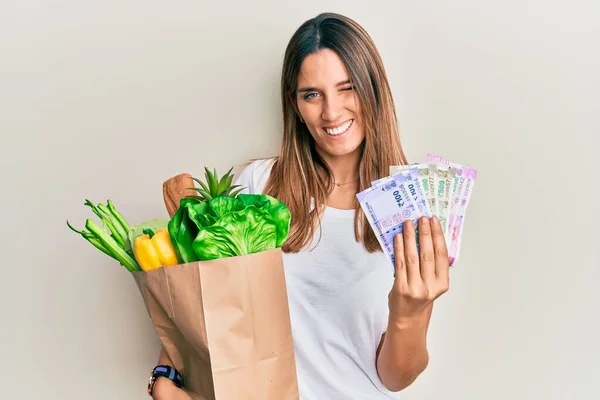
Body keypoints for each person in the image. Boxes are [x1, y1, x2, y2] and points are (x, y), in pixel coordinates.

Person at [150, 12, 449, 400]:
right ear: (294, 103)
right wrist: (164, 379)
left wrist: (410, 312)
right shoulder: (259, 187)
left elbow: (395, 377)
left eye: (348, 88)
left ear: (375, 89)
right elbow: (205, 306)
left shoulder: (411, 208)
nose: (331, 112)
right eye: (313, 94)